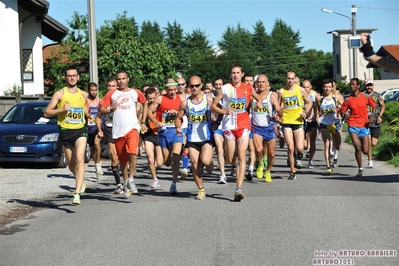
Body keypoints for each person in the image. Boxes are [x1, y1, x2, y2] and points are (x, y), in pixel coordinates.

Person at [211, 64, 262, 201]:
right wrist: (225, 111)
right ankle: (232, 166)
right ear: (230, 75)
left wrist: (260, 103)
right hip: (228, 126)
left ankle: (238, 188)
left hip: (244, 125)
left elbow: (259, 98)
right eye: (233, 73)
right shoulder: (225, 89)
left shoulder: (248, 88)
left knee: (241, 156)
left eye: (238, 72)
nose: (235, 75)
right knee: (230, 158)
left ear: (242, 74)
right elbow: (213, 105)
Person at [44, 66, 90, 205]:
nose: (72, 78)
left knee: (80, 158)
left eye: (74, 75)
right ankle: (79, 180)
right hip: (65, 130)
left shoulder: (84, 94)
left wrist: (88, 115)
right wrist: (62, 109)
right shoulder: (60, 94)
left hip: (80, 129)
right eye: (69, 76)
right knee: (71, 165)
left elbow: (84, 109)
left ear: (78, 77)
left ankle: (76, 194)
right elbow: (46, 113)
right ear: (65, 78)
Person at [99, 70, 146, 198]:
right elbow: (101, 109)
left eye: (123, 78)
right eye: (118, 79)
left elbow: (144, 102)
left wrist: (142, 121)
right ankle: (125, 182)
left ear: (128, 79)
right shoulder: (112, 93)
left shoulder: (135, 92)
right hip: (118, 131)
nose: (121, 81)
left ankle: (131, 180)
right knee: (123, 161)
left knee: (133, 153)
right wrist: (111, 109)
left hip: (132, 128)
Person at [175, 76, 215, 200]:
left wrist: (214, 117)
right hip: (192, 139)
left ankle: (210, 163)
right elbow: (178, 117)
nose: (194, 88)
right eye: (192, 86)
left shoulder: (207, 100)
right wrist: (178, 127)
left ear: (201, 85)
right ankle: (201, 189)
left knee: (206, 161)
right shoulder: (185, 103)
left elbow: (216, 110)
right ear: (189, 87)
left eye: (196, 85)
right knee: (195, 165)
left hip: (206, 137)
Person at [147, 79, 184, 195]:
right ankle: (172, 163)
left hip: (177, 131)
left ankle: (173, 184)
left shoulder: (181, 99)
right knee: (167, 162)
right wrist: (156, 122)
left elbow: (188, 111)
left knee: (176, 155)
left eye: (174, 90)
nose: (172, 92)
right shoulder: (160, 99)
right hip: (164, 132)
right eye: (170, 90)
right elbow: (149, 111)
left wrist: (177, 113)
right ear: (166, 90)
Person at [277, 71, 312, 180]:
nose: (290, 81)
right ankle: (292, 170)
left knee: (300, 147)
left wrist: (305, 112)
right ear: (285, 79)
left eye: (292, 79)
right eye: (288, 78)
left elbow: (309, 102)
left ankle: (300, 153)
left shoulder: (300, 90)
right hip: (286, 121)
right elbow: (278, 106)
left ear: (295, 79)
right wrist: (278, 115)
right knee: (290, 147)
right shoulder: (282, 91)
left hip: (298, 121)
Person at [340, 78, 376, 177]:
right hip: (352, 124)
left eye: (353, 84)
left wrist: (372, 117)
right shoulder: (348, 99)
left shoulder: (366, 97)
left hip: (364, 125)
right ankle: (360, 169)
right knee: (357, 146)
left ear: (358, 86)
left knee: (365, 150)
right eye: (350, 85)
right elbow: (342, 110)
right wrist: (345, 114)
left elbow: (373, 106)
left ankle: (365, 159)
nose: (351, 86)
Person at [251, 74, 282, 182]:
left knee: (272, 154)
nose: (261, 84)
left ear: (267, 84)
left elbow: (279, 110)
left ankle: (268, 171)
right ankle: (260, 164)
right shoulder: (252, 96)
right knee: (259, 149)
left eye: (263, 82)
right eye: (259, 82)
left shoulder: (272, 95)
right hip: (256, 127)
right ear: (256, 84)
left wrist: (278, 113)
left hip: (269, 127)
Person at [96, 77, 123, 194]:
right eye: (109, 86)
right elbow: (98, 116)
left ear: (117, 87)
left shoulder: (123, 99)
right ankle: (119, 184)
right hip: (110, 128)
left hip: (123, 129)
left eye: (113, 86)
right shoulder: (105, 101)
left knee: (123, 157)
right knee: (114, 155)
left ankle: (127, 178)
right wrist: (99, 129)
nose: (111, 88)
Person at [315, 79, 344, 175]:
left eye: (329, 87)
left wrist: (341, 114)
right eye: (325, 87)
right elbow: (316, 107)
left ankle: (333, 156)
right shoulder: (319, 98)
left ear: (332, 88)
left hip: (335, 123)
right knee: (326, 144)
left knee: (338, 146)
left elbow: (344, 108)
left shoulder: (337, 97)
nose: (327, 89)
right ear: (323, 87)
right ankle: (328, 166)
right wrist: (317, 117)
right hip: (324, 123)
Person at [140, 87, 164, 188]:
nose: (152, 100)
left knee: (159, 162)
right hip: (148, 135)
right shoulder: (143, 108)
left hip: (158, 134)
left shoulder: (160, 107)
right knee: (150, 159)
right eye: (149, 98)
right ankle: (155, 179)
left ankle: (154, 167)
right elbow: (140, 120)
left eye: (153, 98)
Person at [363, 78, 385, 168]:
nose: (369, 87)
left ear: (373, 85)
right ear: (365, 86)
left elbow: (383, 106)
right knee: (367, 142)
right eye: (367, 85)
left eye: (370, 85)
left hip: (375, 121)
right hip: (365, 122)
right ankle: (370, 161)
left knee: (374, 143)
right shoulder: (362, 95)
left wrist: (380, 116)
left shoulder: (378, 96)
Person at [212, 77, 228, 184]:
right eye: (216, 84)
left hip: (228, 126)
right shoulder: (211, 98)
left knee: (229, 151)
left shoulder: (228, 95)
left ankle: (233, 165)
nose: (218, 86)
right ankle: (223, 174)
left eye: (220, 84)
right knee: (219, 148)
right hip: (217, 127)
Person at [86, 82, 103, 178]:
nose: (94, 92)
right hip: (89, 127)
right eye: (92, 90)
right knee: (92, 147)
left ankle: (98, 165)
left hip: (98, 127)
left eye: (95, 90)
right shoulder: (86, 102)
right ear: (89, 91)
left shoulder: (100, 101)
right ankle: (97, 162)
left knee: (97, 144)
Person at [302, 80, 318, 169]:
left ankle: (310, 160)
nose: (306, 89)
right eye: (304, 87)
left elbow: (315, 107)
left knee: (312, 141)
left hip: (313, 120)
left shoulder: (314, 95)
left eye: (307, 87)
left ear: (310, 87)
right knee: (303, 144)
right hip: (301, 120)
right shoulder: (299, 94)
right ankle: (298, 155)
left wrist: (313, 116)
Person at [177, 77, 190, 179]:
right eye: (178, 84)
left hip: (187, 126)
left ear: (186, 85)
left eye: (182, 84)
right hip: (175, 126)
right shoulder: (173, 97)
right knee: (179, 148)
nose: (180, 86)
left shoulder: (189, 98)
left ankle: (185, 168)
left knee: (186, 147)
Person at [243, 73, 256, 181]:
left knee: (252, 147)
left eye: (250, 81)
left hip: (253, 122)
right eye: (246, 81)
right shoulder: (242, 92)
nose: (248, 83)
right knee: (241, 149)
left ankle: (250, 169)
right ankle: (238, 166)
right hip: (242, 122)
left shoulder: (256, 93)